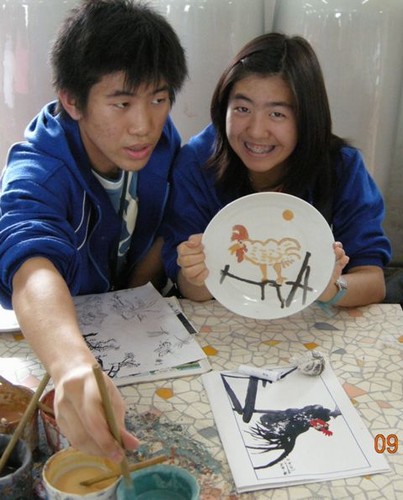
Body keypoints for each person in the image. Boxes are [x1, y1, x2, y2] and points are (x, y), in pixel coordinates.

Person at [0, 0, 187, 461]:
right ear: (72, 100)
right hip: (59, 349)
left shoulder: (163, 143)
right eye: (121, 103)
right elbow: (30, 259)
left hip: (136, 341)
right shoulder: (39, 170)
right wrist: (69, 364)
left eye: (158, 99)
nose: (144, 125)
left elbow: (162, 230)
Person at [162, 32, 391, 307]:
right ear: (223, 107)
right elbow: (190, 287)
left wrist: (329, 288)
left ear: (307, 117)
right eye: (242, 109)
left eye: (277, 114)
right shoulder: (197, 162)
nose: (256, 131)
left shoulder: (341, 167)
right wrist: (196, 275)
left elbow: (373, 281)